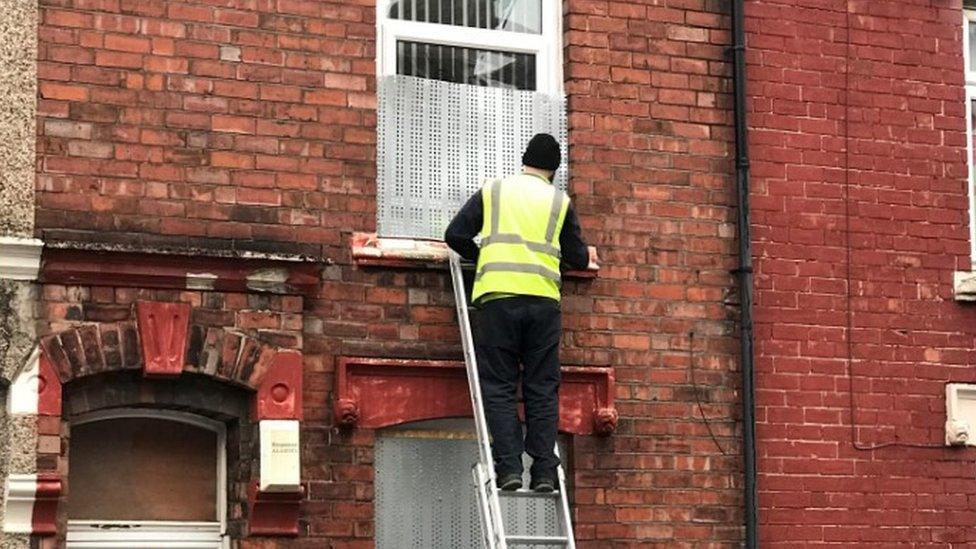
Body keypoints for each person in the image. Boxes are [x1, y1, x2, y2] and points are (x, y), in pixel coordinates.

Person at [444, 133, 595, 492]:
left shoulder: (495, 190)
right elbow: (577, 257)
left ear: (523, 160)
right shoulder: (559, 201)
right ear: (554, 170)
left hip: (498, 300)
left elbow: (455, 234)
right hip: (542, 304)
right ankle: (544, 470)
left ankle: (509, 468)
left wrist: (482, 255)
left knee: (499, 386)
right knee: (541, 387)